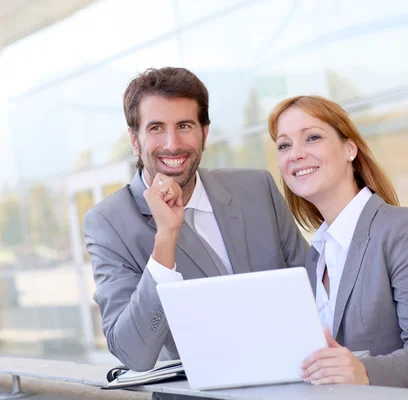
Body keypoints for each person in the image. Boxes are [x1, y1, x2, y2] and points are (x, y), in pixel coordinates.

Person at [84, 67, 308, 374]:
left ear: (204, 134)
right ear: (134, 140)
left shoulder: (257, 189)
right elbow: (133, 353)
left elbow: (312, 290)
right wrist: (166, 237)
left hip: (294, 380)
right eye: (156, 128)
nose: (173, 143)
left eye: (184, 126)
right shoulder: (108, 224)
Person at [268, 95, 408, 390]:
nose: (295, 154)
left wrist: (362, 370)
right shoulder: (316, 254)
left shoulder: (401, 228)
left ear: (349, 149)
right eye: (284, 145)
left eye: (312, 137)